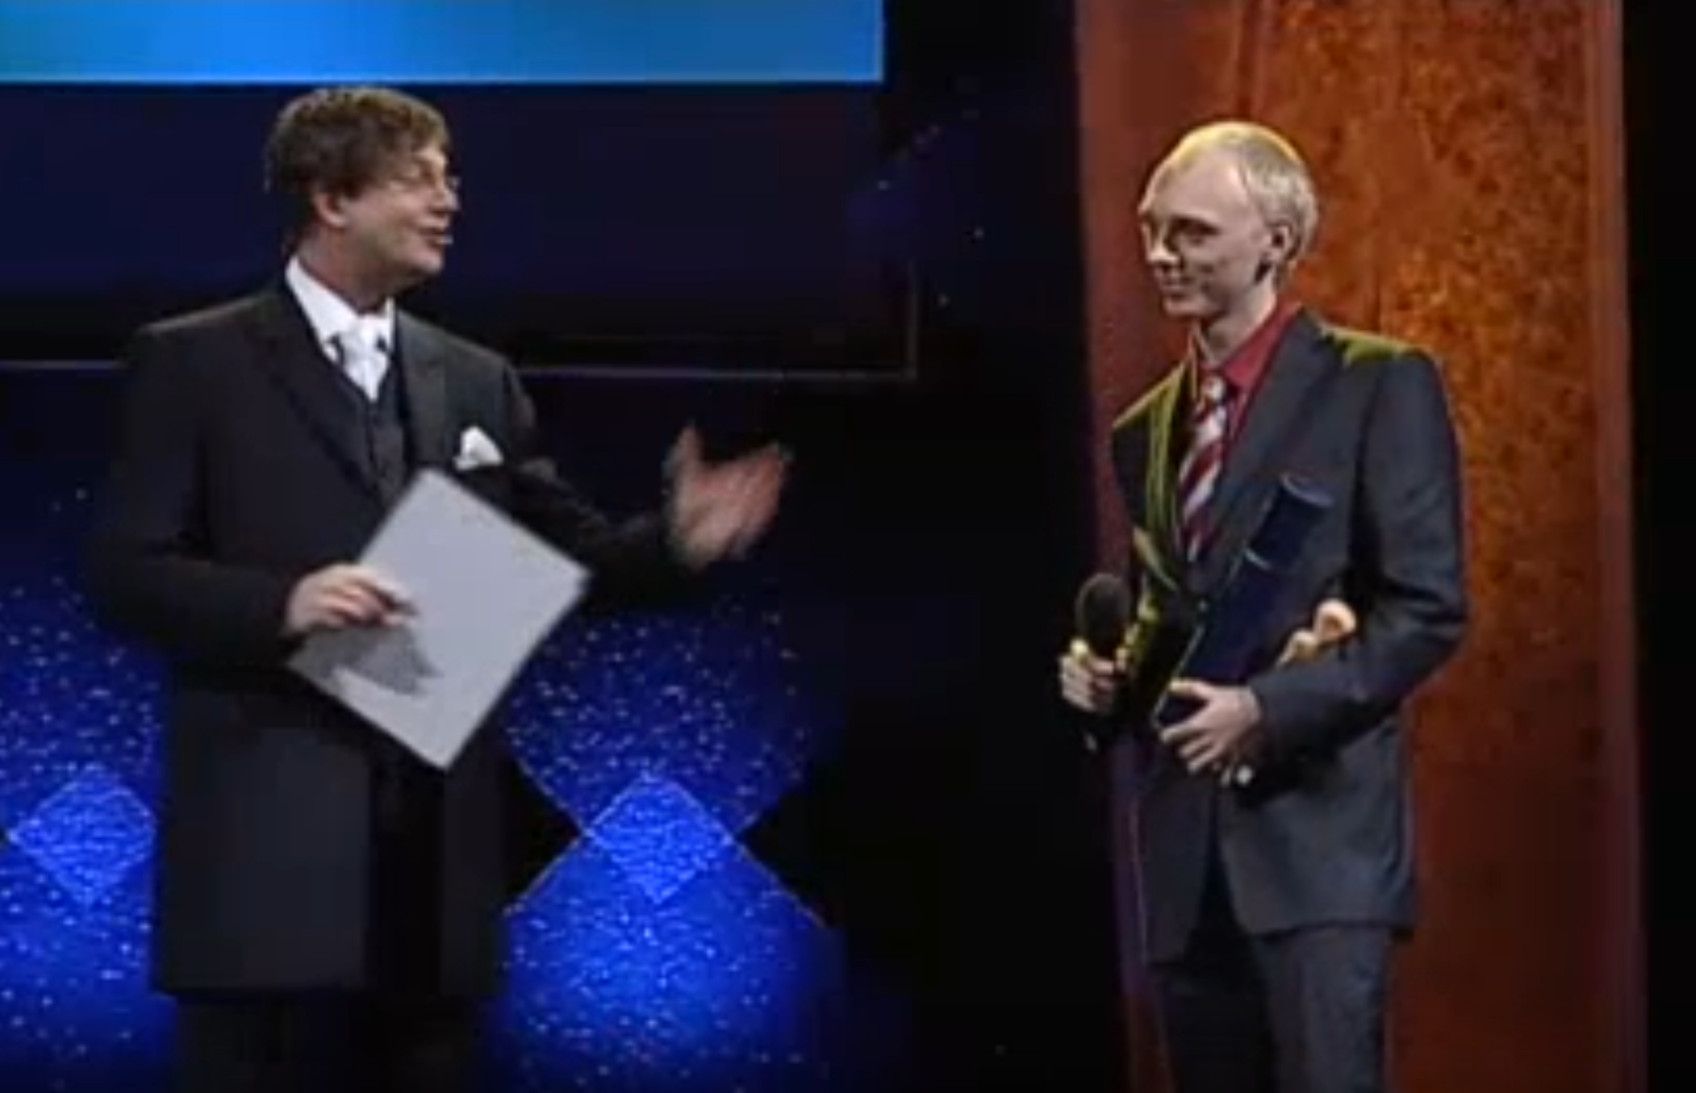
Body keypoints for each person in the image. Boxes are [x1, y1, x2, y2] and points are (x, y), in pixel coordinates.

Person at [84, 86, 786, 1093]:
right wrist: (282, 604)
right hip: (266, 877)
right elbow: (126, 573)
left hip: (434, 889)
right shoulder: (195, 360)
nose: (449, 200)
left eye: (450, 177)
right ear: (332, 198)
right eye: (419, 178)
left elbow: (568, 559)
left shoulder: (474, 377)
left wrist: (676, 543)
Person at [1059, 120, 1468, 1092]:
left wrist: (1267, 710)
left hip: (1318, 855)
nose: (1162, 254)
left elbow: (1425, 609)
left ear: (1275, 240)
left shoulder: (1377, 385)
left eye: (1192, 232)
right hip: (1184, 862)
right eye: (1152, 229)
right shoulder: (1144, 430)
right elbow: (1172, 622)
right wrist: (1111, 688)